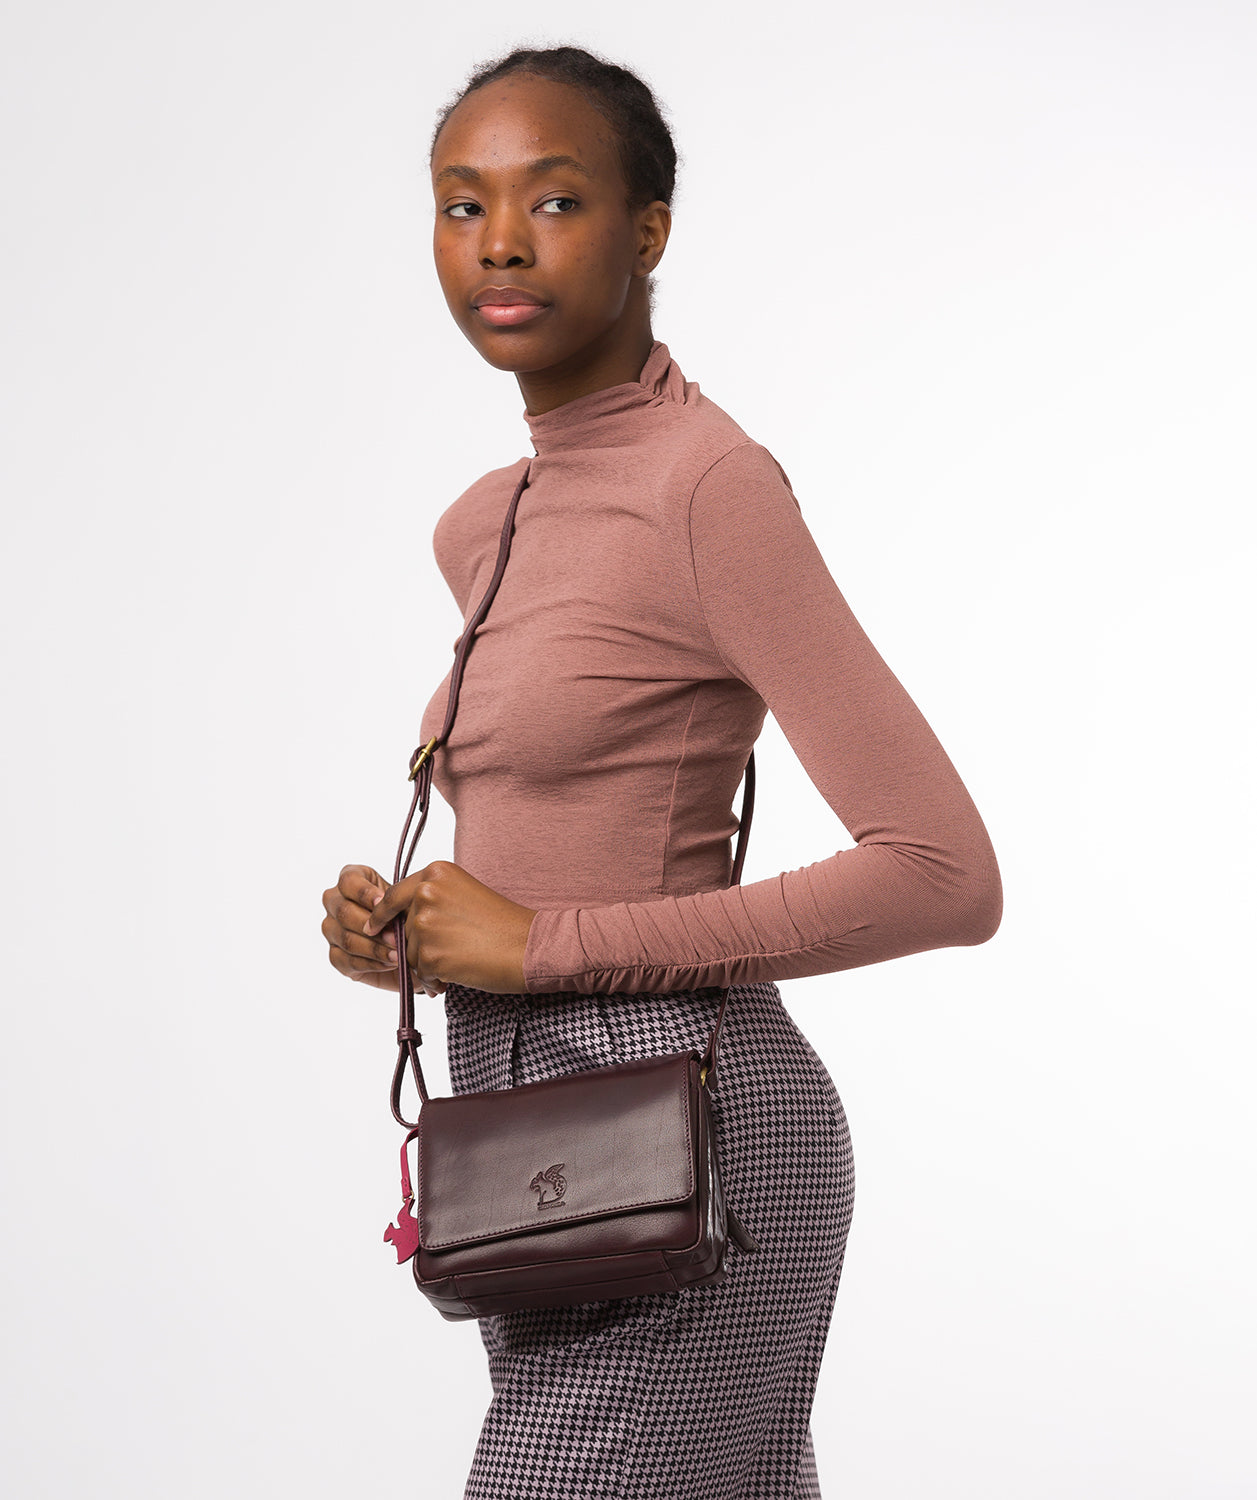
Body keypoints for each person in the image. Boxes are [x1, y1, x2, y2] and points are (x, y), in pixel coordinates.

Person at [321, 44, 1002, 1500]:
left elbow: (943, 874)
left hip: (694, 1150)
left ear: (648, 231)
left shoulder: (707, 486)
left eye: (553, 200)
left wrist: (539, 945)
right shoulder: (484, 521)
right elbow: (579, 814)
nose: (500, 242)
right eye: (461, 204)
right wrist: (413, 938)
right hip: (533, 1165)